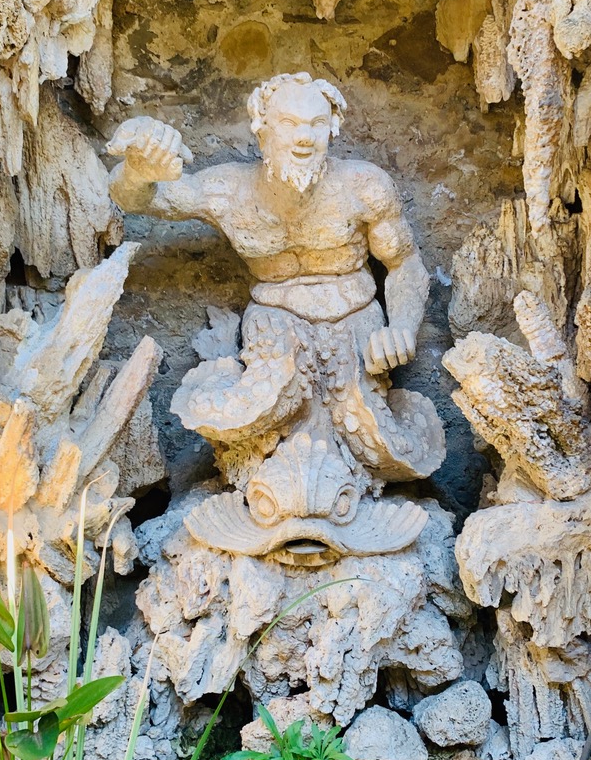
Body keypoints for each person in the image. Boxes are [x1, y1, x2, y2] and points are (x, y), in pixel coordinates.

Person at [107, 72, 444, 482]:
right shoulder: (229, 191)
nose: (304, 137)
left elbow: (405, 263)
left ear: (332, 130)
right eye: (288, 123)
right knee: (263, 407)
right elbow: (143, 200)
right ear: (262, 128)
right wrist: (139, 171)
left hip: (355, 318)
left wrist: (402, 328)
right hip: (274, 319)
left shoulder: (364, 186)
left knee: (376, 435)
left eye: (316, 124)